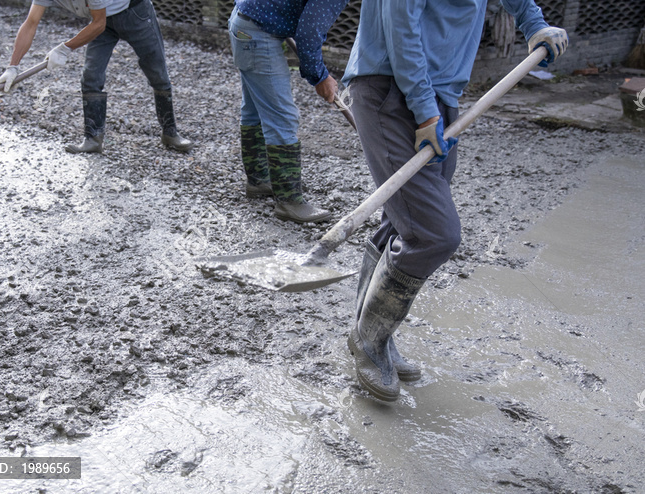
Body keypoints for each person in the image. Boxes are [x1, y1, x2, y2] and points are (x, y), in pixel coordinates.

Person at [340, 0, 568, 401]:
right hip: (390, 86)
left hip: (440, 93)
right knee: (434, 233)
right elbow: (400, 25)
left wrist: (533, 22)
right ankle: (369, 341)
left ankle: (374, 332)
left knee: (402, 217)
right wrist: (426, 113)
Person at [0, 0, 193, 154]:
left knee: (156, 71)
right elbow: (31, 23)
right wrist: (12, 66)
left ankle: (170, 133)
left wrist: (65, 48)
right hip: (102, 20)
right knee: (91, 75)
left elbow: (99, 24)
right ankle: (92, 139)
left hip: (134, 12)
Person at [228, 0, 350, 224]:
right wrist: (320, 76)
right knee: (282, 116)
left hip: (243, 22)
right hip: (257, 32)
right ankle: (289, 201)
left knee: (254, 109)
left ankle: (258, 180)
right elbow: (308, 33)